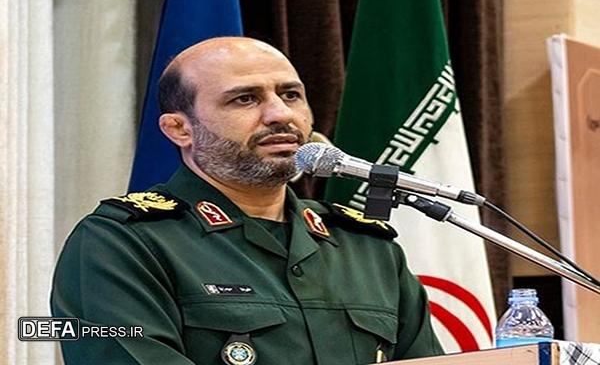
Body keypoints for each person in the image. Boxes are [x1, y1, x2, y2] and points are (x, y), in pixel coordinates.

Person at [51, 37, 443, 364]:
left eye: (291, 95)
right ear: (179, 129)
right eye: (244, 99)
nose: (280, 114)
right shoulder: (121, 243)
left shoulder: (366, 246)